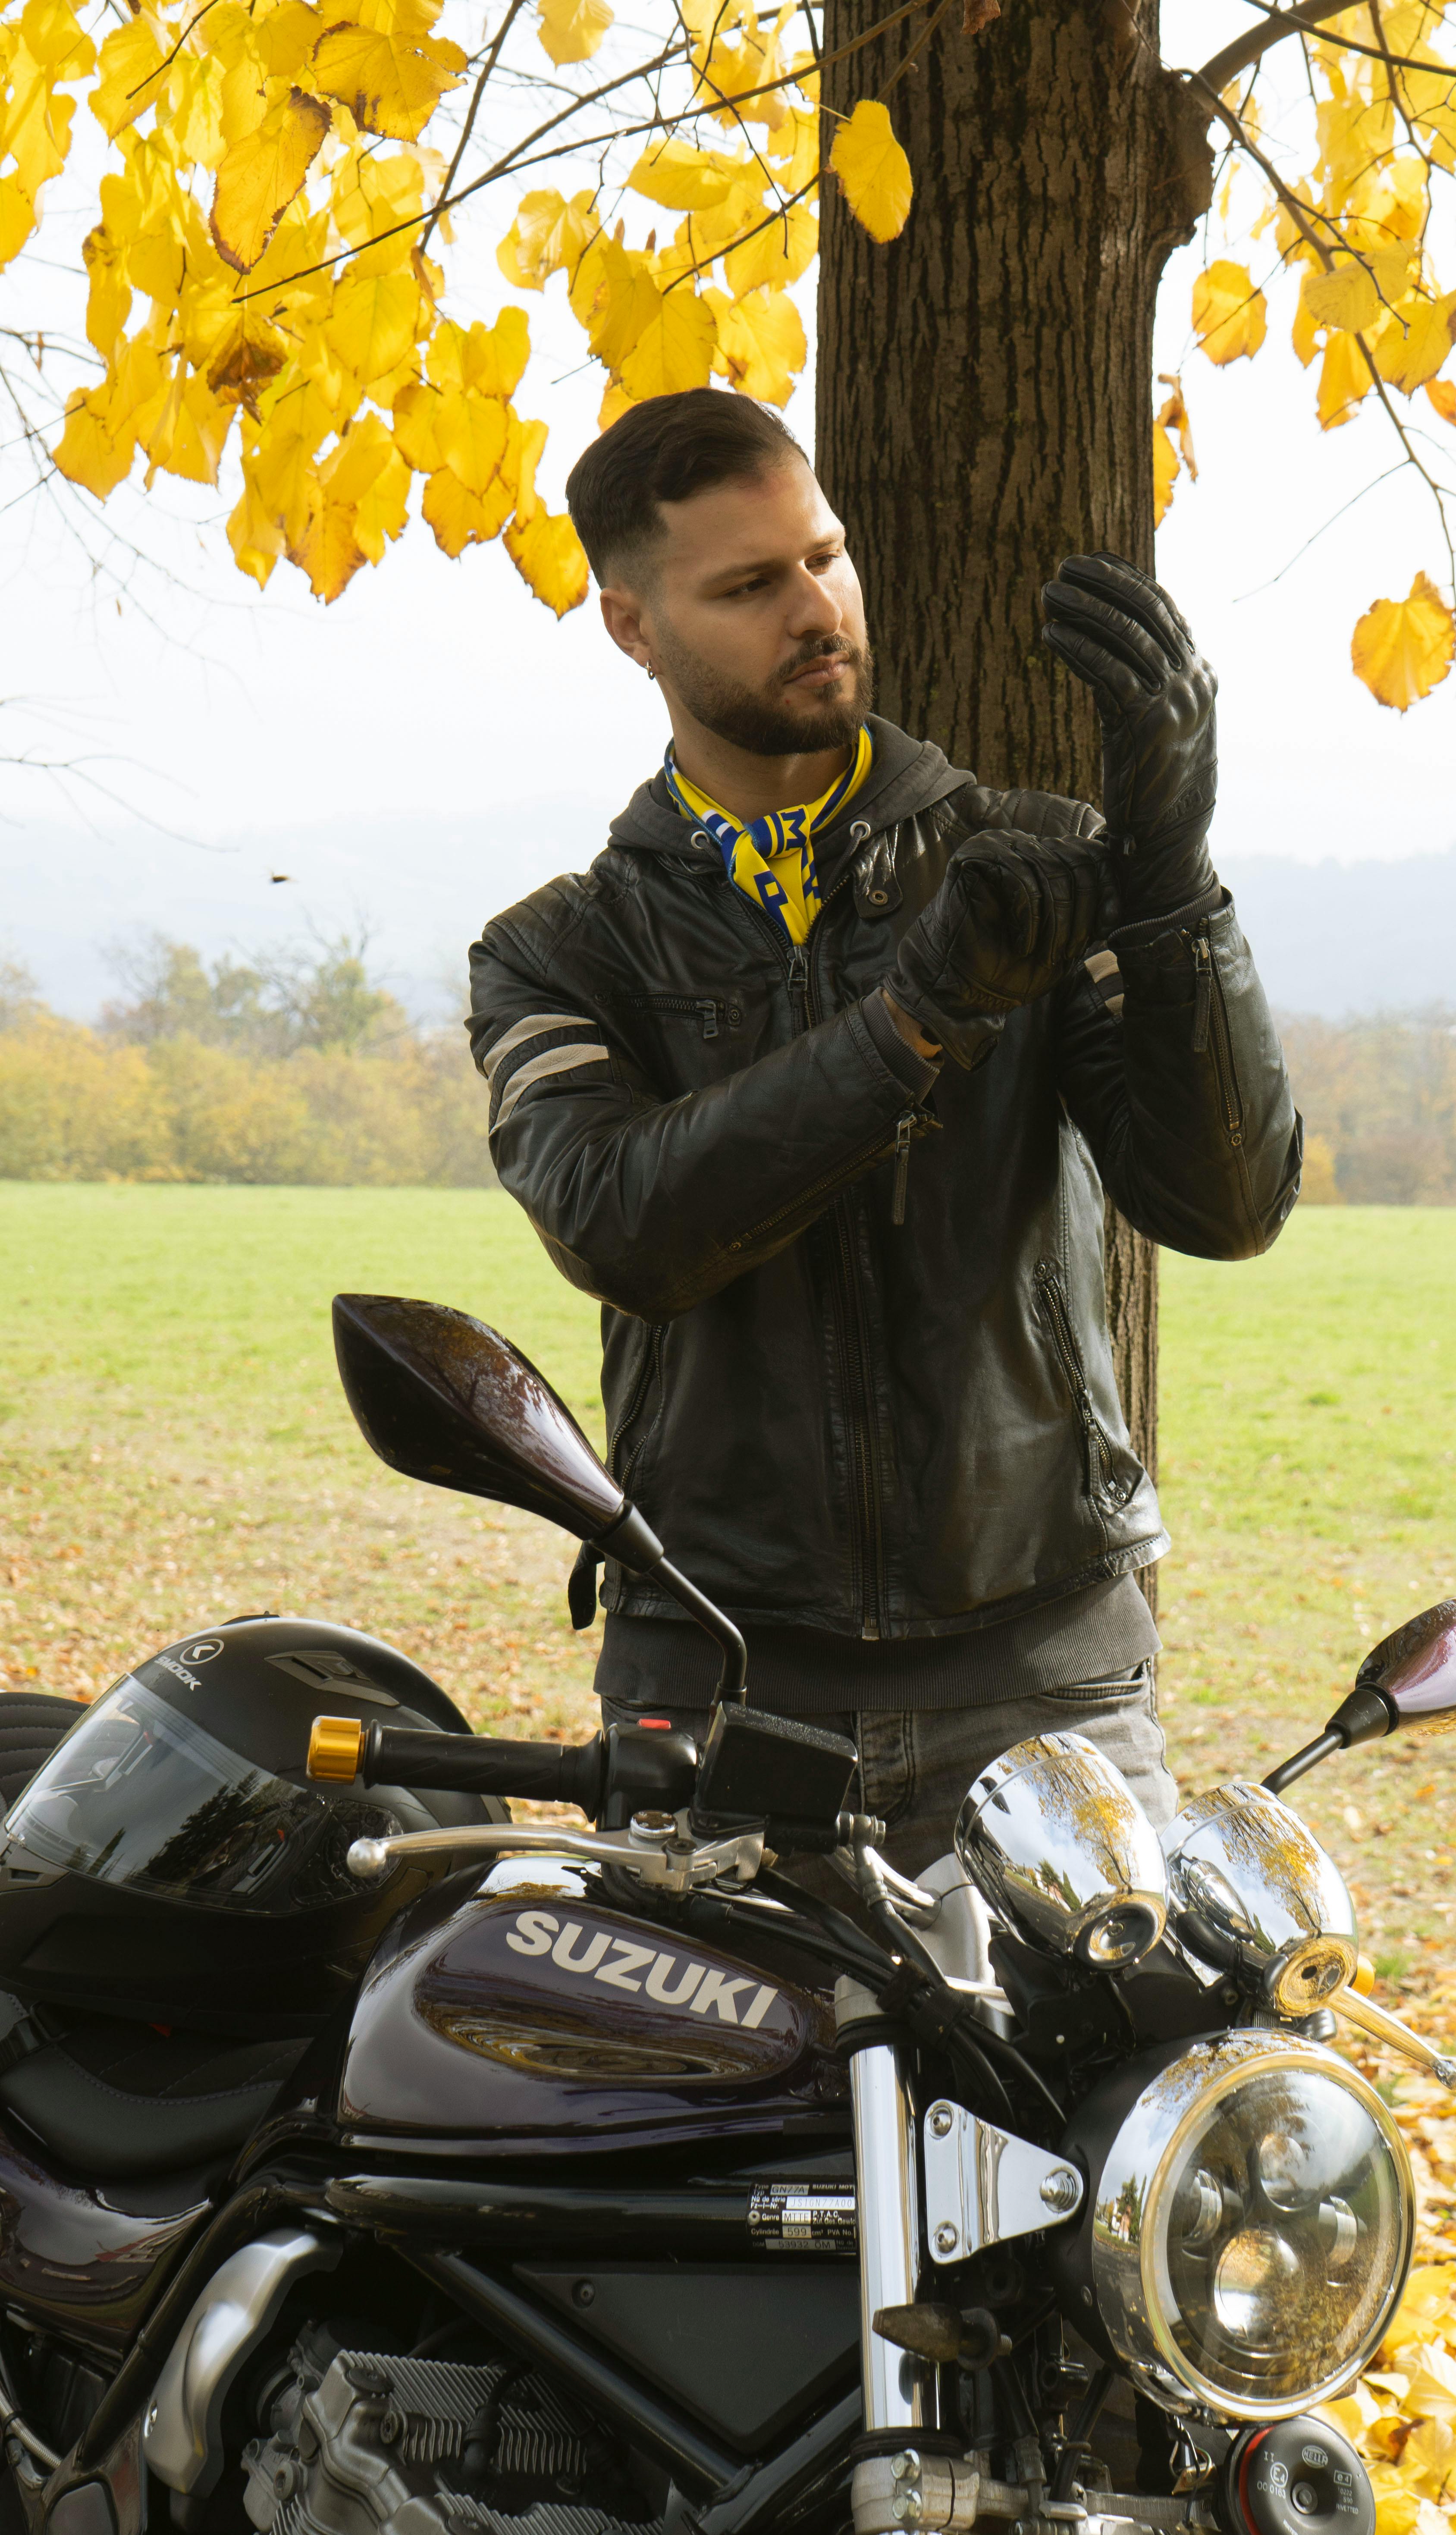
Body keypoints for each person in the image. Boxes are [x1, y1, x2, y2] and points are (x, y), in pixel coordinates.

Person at [467, 388, 1300, 1877]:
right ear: (631, 627)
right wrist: (914, 1019)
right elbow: (621, 1225)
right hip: (718, 1680)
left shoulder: (1036, 863)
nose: (817, 609)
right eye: (748, 586)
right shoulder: (556, 953)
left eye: (825, 558)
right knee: (714, 2119)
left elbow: (1226, 1202)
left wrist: (1170, 883)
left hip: (1044, 1671)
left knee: (1087, 2114)